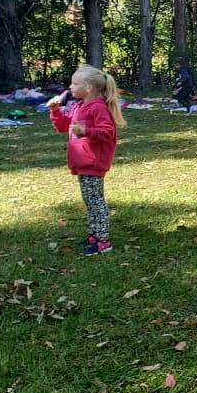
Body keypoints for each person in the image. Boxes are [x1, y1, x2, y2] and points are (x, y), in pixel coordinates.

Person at [48, 65, 125, 256]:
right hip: (82, 163)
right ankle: (94, 235)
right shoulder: (79, 106)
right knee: (89, 201)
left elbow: (108, 132)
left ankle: (103, 241)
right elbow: (63, 126)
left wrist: (86, 131)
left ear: (89, 87)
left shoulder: (98, 107)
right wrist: (55, 111)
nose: (70, 87)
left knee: (95, 201)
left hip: (93, 162)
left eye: (75, 83)